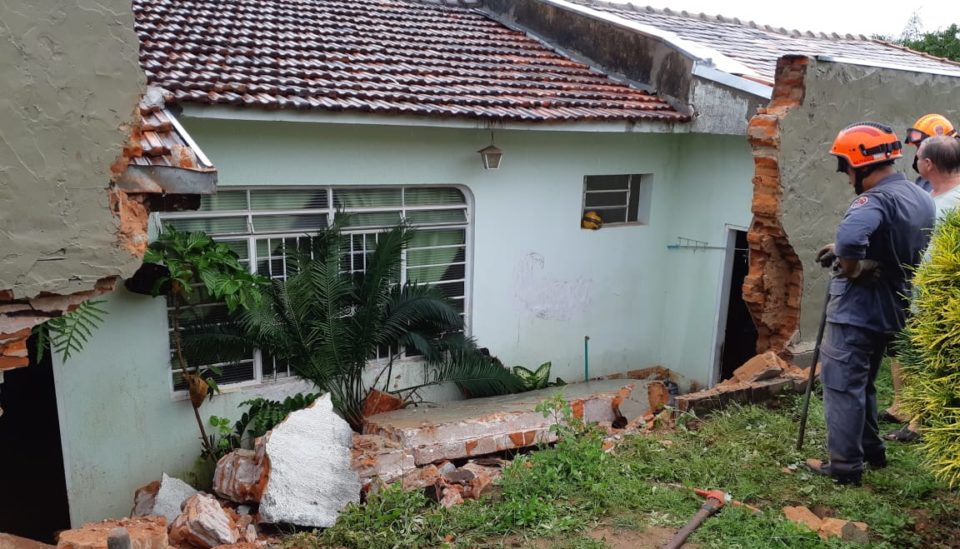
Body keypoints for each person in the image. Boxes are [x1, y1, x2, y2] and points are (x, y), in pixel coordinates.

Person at [808, 122, 935, 486]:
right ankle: (872, 450)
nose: (846, 176)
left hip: (858, 311)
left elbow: (850, 239)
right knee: (863, 383)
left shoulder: (874, 199)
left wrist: (851, 267)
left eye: (846, 166)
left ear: (861, 164)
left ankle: (845, 467)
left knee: (842, 384)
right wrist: (852, 253)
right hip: (892, 305)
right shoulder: (919, 196)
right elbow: (893, 238)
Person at [883, 115, 958, 436]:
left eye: (916, 154)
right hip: (916, 292)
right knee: (904, 348)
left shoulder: (951, 204)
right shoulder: (931, 197)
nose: (912, 159)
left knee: (929, 356)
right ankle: (905, 409)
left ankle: (920, 423)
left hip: (938, 297)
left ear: (928, 164)